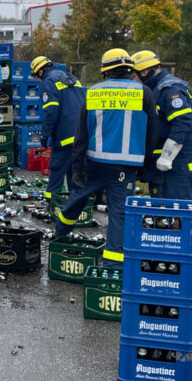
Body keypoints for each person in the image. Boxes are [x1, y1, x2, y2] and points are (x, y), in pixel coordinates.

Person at [57, 50, 150, 264]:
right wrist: (146, 167)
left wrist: (77, 167)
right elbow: (152, 133)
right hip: (125, 169)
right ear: (130, 68)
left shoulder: (94, 92)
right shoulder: (143, 92)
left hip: (94, 164)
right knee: (118, 216)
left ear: (105, 71)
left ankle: (60, 234)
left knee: (76, 199)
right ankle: (113, 266)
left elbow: (80, 135)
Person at [132, 50, 192, 200]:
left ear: (144, 72)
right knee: (162, 217)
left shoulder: (170, 89)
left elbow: (183, 123)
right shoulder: (153, 90)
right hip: (163, 168)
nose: (132, 81)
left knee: (175, 217)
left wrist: (167, 157)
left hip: (179, 167)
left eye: (133, 76)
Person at [31, 55, 85, 207]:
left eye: (37, 76)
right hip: (81, 133)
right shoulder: (72, 78)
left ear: (41, 71)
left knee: (56, 169)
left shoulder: (49, 81)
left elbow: (51, 111)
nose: (38, 79)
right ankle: (76, 204)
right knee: (74, 170)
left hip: (64, 135)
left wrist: (45, 134)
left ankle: (51, 202)